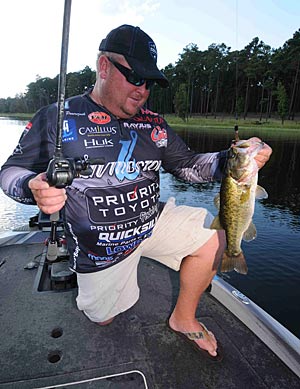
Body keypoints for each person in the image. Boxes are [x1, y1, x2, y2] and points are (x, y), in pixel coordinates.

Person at [0, 24, 272, 360]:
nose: (142, 90)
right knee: (104, 319)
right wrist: (32, 187)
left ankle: (182, 318)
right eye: (135, 77)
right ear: (104, 66)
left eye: (149, 82)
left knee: (215, 236)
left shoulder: (154, 124)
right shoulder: (57, 117)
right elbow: (9, 171)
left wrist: (234, 159)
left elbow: (188, 165)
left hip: (150, 223)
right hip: (100, 249)